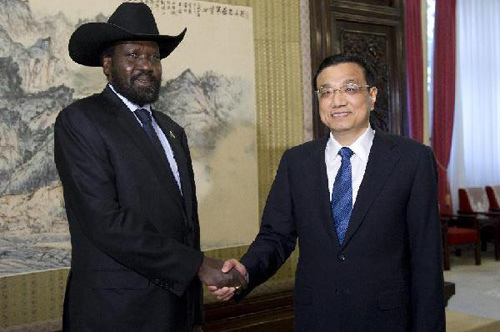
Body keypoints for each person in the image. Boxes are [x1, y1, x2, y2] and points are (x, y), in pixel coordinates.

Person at [211, 54, 445, 331]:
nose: (338, 101)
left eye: (349, 88)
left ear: (372, 96)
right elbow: (276, 237)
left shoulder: (411, 159)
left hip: (387, 318)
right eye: (327, 92)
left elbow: (426, 257)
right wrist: (246, 270)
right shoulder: (296, 162)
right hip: (317, 317)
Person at [54, 3, 245, 331]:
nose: (146, 65)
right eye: (132, 55)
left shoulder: (171, 130)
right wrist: (198, 265)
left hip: (175, 312)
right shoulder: (81, 120)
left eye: (154, 57)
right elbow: (105, 222)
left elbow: (187, 229)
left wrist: (193, 317)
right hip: (115, 315)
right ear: (106, 64)